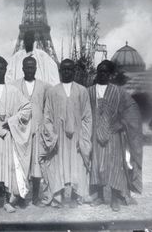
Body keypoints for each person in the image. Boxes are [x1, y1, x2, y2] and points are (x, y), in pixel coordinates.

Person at [88, 60, 143, 212]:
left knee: (114, 166)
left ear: (110, 74)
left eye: (106, 72)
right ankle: (99, 196)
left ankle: (114, 198)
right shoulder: (90, 91)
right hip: (95, 134)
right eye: (100, 71)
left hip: (114, 135)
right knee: (97, 165)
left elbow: (131, 109)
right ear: (97, 73)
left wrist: (122, 122)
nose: (102, 74)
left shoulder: (118, 92)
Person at [0, 56, 32, 214]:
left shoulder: (13, 90)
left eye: (1, 68)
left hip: (9, 136)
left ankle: (8, 201)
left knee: (8, 169)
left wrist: (11, 121)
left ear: (5, 70)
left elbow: (27, 108)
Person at [40, 59, 92, 208]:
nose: (67, 72)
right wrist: (52, 137)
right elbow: (47, 116)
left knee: (77, 164)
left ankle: (77, 195)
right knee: (58, 164)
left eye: (70, 69)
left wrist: (83, 137)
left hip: (77, 136)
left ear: (74, 71)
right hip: (58, 137)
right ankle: (58, 196)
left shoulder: (82, 91)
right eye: (64, 69)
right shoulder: (52, 91)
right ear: (60, 71)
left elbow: (87, 116)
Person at [10, 56, 51, 207]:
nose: (29, 69)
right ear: (22, 68)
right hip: (21, 132)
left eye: (32, 67)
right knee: (21, 165)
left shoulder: (44, 87)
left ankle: (35, 197)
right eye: (27, 67)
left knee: (36, 165)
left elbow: (48, 109)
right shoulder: (14, 86)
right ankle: (21, 197)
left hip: (37, 131)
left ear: (36, 68)